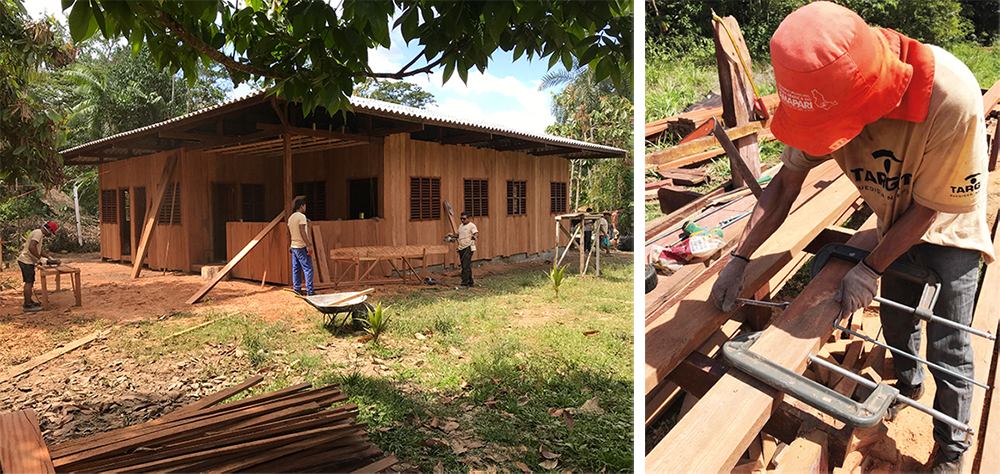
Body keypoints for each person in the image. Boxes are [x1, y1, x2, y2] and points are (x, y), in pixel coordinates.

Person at [709, 3, 991, 472]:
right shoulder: (818, 95)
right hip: (892, 221)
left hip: (949, 222)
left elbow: (928, 207)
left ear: (870, 96)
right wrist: (740, 256)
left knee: (951, 345)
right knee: (900, 324)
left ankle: (952, 451)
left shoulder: (948, 95)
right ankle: (908, 385)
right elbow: (783, 186)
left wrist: (870, 267)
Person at [18, 222, 58, 312]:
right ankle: (27, 305)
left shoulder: (38, 233)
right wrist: (40, 259)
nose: (50, 234)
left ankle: (29, 301)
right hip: (26, 261)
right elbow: (31, 247)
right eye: (51, 232)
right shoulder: (38, 233)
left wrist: (48, 257)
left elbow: (38, 249)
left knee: (30, 282)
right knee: (28, 282)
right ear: (50, 229)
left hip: (27, 261)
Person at [287, 199, 315, 296]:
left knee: (296, 268)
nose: (305, 208)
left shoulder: (291, 218)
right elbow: (302, 231)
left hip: (294, 246)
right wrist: (308, 245)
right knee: (308, 268)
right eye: (305, 206)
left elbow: (288, 232)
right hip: (301, 246)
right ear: (302, 206)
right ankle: (310, 291)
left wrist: (289, 245)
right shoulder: (302, 217)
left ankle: (297, 289)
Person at [453, 211, 478, 288]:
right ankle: (470, 282)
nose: (462, 220)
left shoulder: (472, 226)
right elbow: (457, 235)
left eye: (464, 219)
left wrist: (475, 237)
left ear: (468, 218)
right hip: (461, 248)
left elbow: (476, 233)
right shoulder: (460, 226)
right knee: (466, 266)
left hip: (468, 248)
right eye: (461, 219)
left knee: (465, 266)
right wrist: (451, 236)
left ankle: (464, 283)